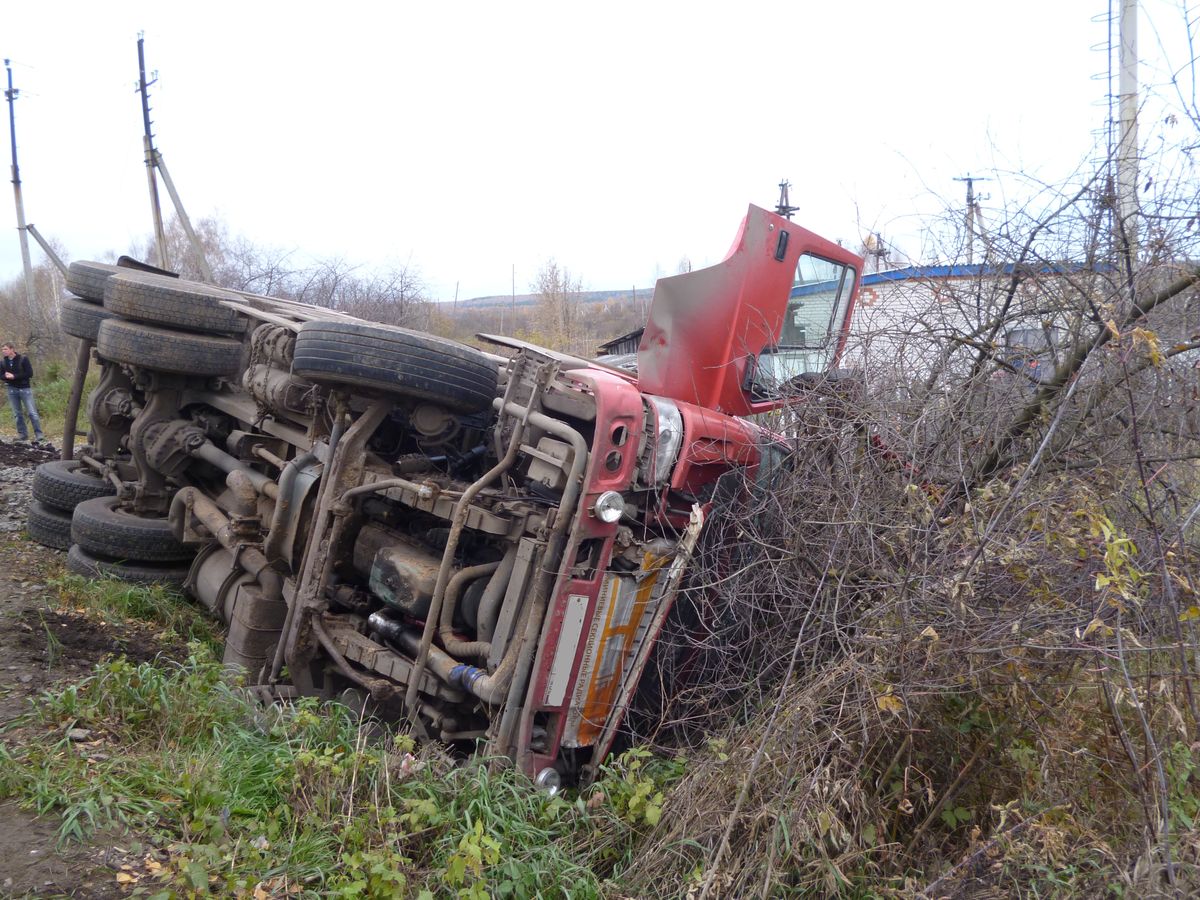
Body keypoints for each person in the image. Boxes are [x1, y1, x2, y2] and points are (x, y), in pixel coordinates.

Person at [1, 342, 44, 444]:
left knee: (32, 412)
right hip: (11, 389)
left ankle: (39, 435)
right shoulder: (3, 362)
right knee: (17, 414)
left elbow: (29, 373)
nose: (4, 351)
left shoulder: (23, 359)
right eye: (3, 350)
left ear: (12, 349)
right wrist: (5, 376)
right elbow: (1, 375)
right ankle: (22, 434)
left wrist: (14, 376)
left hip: (25, 389)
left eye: (5, 349)